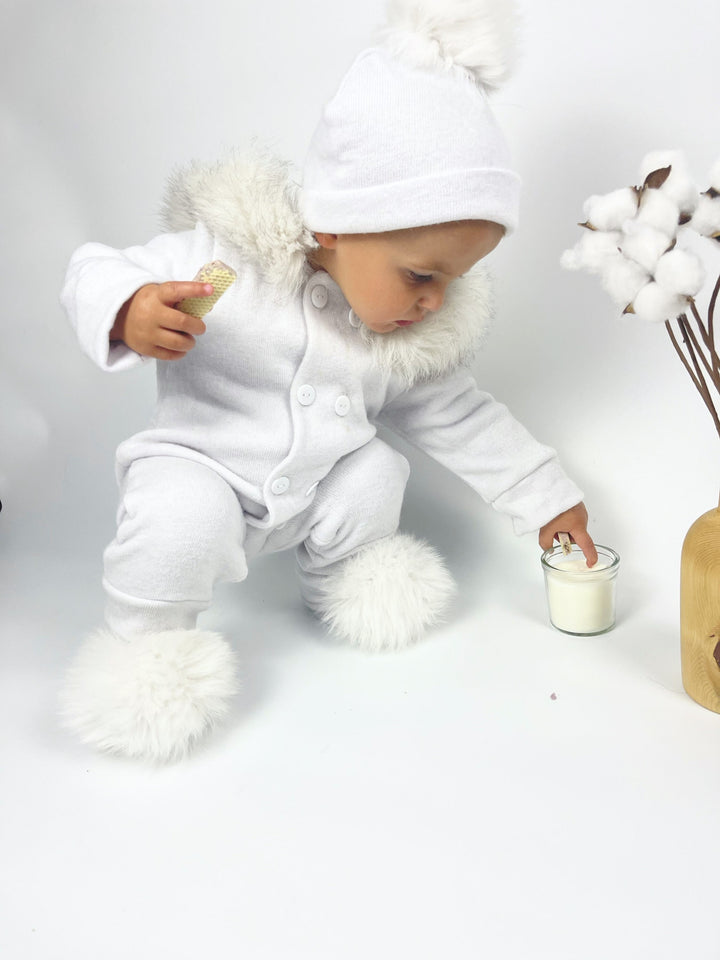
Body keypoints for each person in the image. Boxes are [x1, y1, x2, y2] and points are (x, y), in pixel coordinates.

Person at [60, 0, 597, 762]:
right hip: (204, 469)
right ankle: (147, 650)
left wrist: (548, 499)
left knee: (374, 470)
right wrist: (128, 309)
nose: (434, 300)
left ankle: (341, 577)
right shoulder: (225, 265)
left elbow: (467, 418)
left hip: (315, 491)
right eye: (419, 273)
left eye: (453, 279)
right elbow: (94, 269)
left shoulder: (403, 342)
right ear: (338, 221)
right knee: (179, 519)